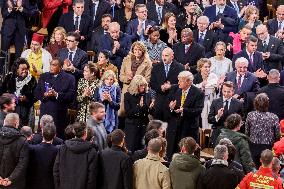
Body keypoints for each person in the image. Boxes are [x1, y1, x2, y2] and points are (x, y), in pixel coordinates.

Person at [34, 58, 76, 139]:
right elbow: (36, 93)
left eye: (54, 65)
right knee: (43, 138)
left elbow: (71, 96)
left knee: (58, 139)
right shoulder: (43, 76)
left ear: (60, 67)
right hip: (45, 113)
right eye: (51, 65)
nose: (51, 67)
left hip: (59, 115)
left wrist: (56, 94)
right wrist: (44, 94)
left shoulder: (69, 78)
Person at [167, 71, 204, 158]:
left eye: (181, 81)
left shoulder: (198, 93)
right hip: (174, 128)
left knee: (187, 155)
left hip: (188, 128)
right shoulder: (175, 89)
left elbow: (198, 111)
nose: (178, 83)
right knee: (172, 154)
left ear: (188, 82)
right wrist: (171, 108)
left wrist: (183, 110)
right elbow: (167, 107)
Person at [53, 121, 98, 189]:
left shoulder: (63, 148)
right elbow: (91, 178)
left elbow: (56, 171)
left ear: (74, 132)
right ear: (85, 133)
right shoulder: (91, 151)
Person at [245, 93, 281, 168]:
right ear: (267, 104)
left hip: (253, 147)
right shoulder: (274, 117)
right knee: (267, 170)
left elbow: (247, 132)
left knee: (255, 170)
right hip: (269, 148)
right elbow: (277, 135)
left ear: (255, 103)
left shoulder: (250, 115)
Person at [150, 47, 184, 121]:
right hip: (160, 101)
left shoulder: (180, 67)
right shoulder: (156, 67)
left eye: (166, 55)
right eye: (163, 55)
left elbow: (183, 84)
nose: (164, 58)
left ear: (172, 56)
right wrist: (160, 87)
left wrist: (171, 86)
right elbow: (152, 83)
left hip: (174, 101)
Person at [0, 58, 37, 126]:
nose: (25, 71)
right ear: (16, 69)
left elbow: (36, 96)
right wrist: (10, 98)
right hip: (10, 110)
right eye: (22, 69)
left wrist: (26, 98)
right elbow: (2, 92)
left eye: (26, 69)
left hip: (25, 111)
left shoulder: (32, 79)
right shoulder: (9, 77)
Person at [119, 41, 152, 116]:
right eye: (136, 49)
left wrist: (136, 82)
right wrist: (127, 78)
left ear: (143, 51)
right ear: (133, 50)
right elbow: (121, 77)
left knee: (136, 113)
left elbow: (147, 80)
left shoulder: (148, 63)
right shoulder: (126, 59)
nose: (137, 51)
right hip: (126, 90)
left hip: (139, 92)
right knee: (123, 114)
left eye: (139, 50)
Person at [124, 75, 154, 152]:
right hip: (132, 126)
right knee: (131, 149)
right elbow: (128, 113)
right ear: (135, 85)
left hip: (143, 125)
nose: (143, 87)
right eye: (141, 85)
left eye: (144, 85)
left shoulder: (147, 94)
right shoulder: (128, 95)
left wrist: (151, 108)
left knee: (142, 149)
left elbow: (150, 112)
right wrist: (138, 107)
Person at [0, 113, 29, 189]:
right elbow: (22, 164)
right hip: (15, 184)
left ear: (4, 122)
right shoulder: (22, 141)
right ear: (16, 124)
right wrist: (10, 179)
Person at [27, 124, 58, 189]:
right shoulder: (57, 151)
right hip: (50, 184)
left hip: (34, 184)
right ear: (55, 135)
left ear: (42, 133)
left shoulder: (33, 149)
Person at [193, 58, 220, 129]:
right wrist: (201, 85)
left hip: (211, 101)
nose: (207, 69)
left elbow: (217, 90)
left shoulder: (213, 76)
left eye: (208, 67)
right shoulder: (195, 78)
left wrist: (218, 86)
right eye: (205, 67)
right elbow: (193, 91)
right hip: (200, 104)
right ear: (200, 68)